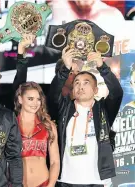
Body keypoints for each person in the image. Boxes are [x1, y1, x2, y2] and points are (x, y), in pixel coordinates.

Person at [49, 47, 123, 187]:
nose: (80, 86)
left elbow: (117, 93)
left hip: (98, 181)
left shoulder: (103, 109)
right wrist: (65, 68)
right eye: (77, 83)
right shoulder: (65, 108)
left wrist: (102, 67)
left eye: (86, 83)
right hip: (66, 180)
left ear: (95, 90)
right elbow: (53, 95)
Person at [14, 82, 60, 187]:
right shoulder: (10, 125)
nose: (35, 103)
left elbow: (55, 161)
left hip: (43, 183)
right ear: (20, 99)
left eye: (38, 99)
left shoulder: (48, 126)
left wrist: (51, 184)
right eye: (30, 99)